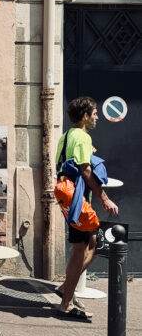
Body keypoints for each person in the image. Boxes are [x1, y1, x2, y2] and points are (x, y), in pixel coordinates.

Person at [53, 96, 119, 320]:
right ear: (85, 116)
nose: (97, 117)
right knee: (85, 247)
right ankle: (66, 303)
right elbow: (86, 171)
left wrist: (89, 151)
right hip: (77, 197)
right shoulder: (82, 137)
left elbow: (67, 161)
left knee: (90, 244)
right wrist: (105, 199)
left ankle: (66, 288)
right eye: (95, 113)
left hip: (67, 193)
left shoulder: (66, 136)